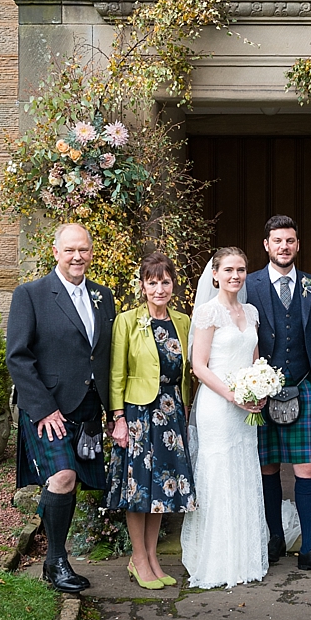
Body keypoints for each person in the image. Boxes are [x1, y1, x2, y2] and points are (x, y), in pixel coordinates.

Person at [6, 223, 115, 593]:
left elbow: (104, 357)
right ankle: (56, 562)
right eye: (69, 250)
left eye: (83, 249)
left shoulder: (104, 296)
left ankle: (55, 559)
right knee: (63, 477)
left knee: (72, 484)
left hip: (86, 409)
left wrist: (113, 412)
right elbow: (18, 357)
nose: (77, 257)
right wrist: (43, 409)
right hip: (47, 409)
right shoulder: (31, 294)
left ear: (90, 251)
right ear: (56, 253)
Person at [246, 215, 311, 577]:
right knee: (267, 467)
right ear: (266, 245)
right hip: (262, 394)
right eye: (277, 241)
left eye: (290, 241)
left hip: (304, 387)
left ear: (298, 245)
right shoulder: (249, 285)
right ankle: (274, 538)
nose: (284, 246)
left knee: (308, 468)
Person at [106, 252, 196, 590]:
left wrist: (185, 411)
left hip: (171, 413)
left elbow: (187, 374)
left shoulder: (183, 321)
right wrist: (117, 418)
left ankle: (152, 557)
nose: (159, 289)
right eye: (152, 282)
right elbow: (117, 372)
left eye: (165, 282)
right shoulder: (127, 321)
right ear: (143, 286)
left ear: (173, 284)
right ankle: (138, 559)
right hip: (138, 414)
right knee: (139, 487)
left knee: (163, 487)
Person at [180, 247, 269, 589]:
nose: (235, 275)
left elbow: (255, 360)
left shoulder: (251, 311)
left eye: (241, 269)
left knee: (244, 472)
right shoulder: (207, 313)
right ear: (214, 274)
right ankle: (216, 559)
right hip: (218, 407)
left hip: (246, 409)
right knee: (218, 476)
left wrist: (260, 388)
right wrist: (233, 395)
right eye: (229, 269)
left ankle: (244, 556)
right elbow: (199, 366)